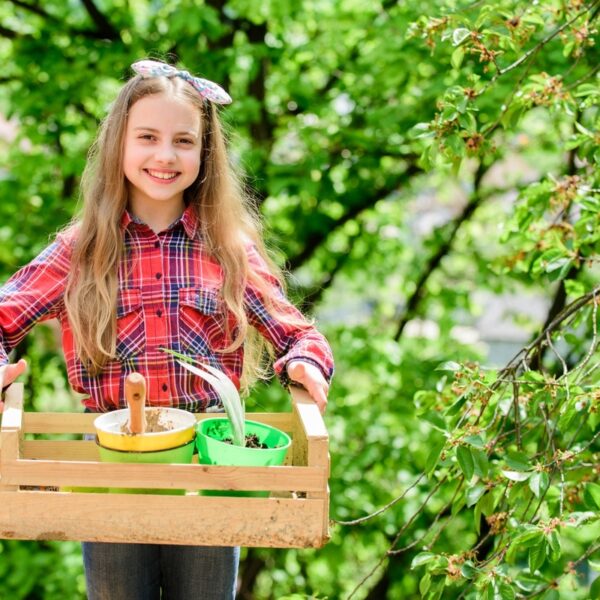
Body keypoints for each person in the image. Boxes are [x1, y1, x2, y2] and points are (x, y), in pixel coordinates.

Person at [0, 58, 334, 599]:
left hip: (208, 462)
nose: (164, 155)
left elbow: (300, 334)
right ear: (119, 146)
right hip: (112, 463)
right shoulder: (80, 250)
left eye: (183, 141)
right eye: (148, 137)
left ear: (204, 154)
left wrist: (304, 362)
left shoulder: (227, 249)